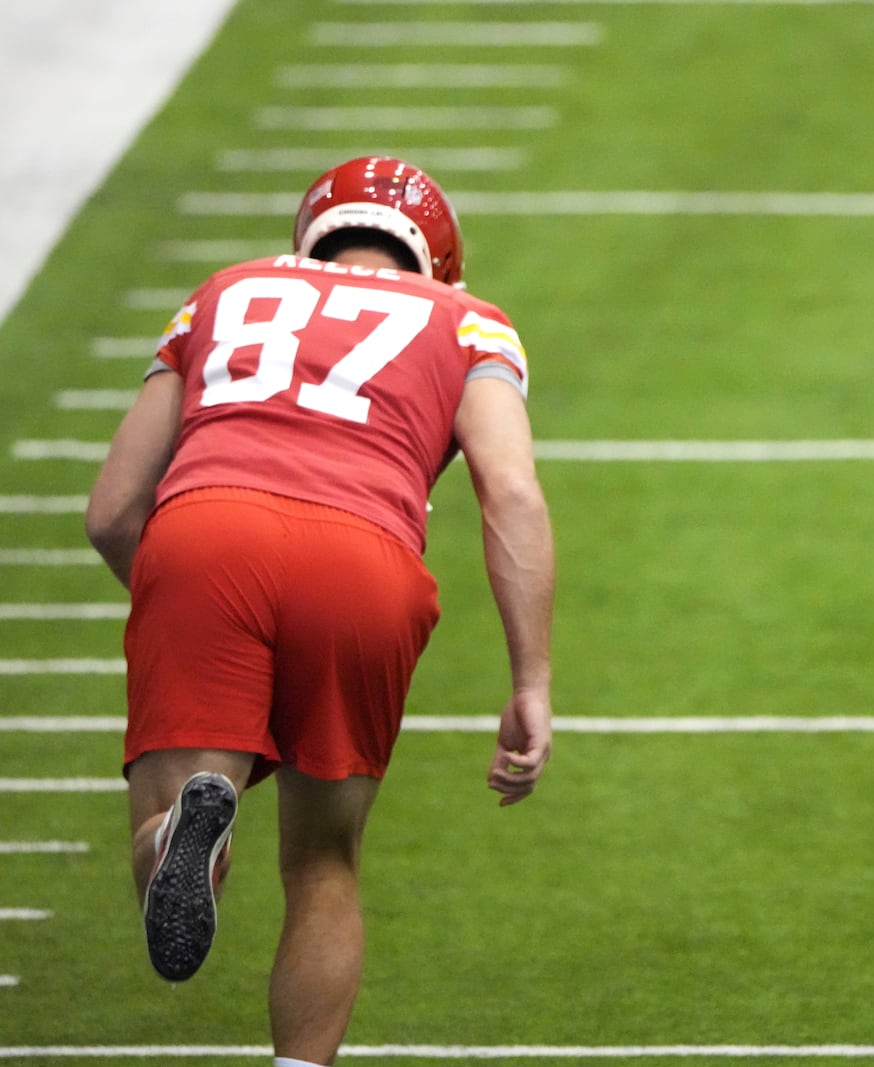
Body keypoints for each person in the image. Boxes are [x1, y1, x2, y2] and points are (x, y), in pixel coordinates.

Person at [84, 155, 556, 1067]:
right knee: (322, 863)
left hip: (206, 532)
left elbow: (110, 509)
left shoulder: (227, 289)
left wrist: (182, 603)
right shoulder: (472, 321)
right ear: (437, 259)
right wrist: (530, 676)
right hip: (365, 559)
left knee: (172, 820)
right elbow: (513, 492)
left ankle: (180, 833)